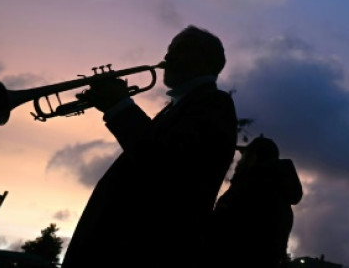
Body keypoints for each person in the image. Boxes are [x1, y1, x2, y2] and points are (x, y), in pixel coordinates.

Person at [61, 25, 238, 267]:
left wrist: (119, 107)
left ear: (204, 59)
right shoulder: (180, 106)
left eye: (178, 50)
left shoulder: (214, 104)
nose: (167, 58)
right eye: (168, 50)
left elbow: (164, 163)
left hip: (142, 249)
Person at [211, 135, 303, 267]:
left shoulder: (251, 188)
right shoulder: (277, 196)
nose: (240, 160)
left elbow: (220, 228)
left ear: (255, 157)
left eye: (245, 154)